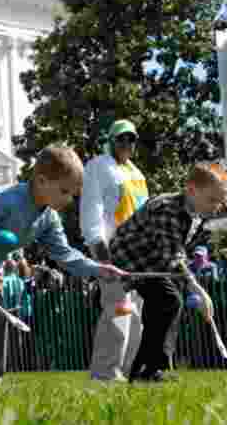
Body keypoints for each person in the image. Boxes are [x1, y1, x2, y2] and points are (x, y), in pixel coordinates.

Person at [0, 145, 127, 385]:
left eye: (73, 194)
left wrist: (100, 269)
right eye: (64, 191)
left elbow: (65, 254)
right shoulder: (5, 198)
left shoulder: (48, 218)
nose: (69, 200)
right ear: (41, 181)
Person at [108, 162, 227, 383]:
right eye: (212, 200)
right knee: (168, 300)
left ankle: (148, 369)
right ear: (191, 190)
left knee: (168, 303)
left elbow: (179, 253)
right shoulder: (167, 208)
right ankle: (148, 368)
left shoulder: (196, 212)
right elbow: (172, 255)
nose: (216, 207)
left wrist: (191, 281)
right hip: (130, 263)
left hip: (153, 264)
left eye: (220, 201)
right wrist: (198, 289)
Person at [80, 119, 148, 382]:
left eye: (131, 139)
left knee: (138, 317)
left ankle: (132, 371)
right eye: (121, 138)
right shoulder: (98, 167)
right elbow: (91, 211)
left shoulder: (137, 173)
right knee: (119, 310)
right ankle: (105, 375)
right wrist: (100, 254)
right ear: (111, 140)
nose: (127, 144)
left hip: (138, 255)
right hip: (111, 252)